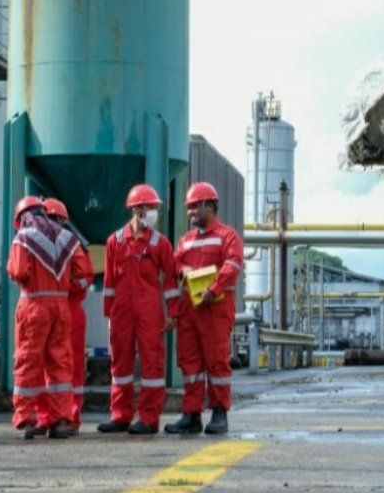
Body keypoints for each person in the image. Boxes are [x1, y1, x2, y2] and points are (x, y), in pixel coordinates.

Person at [97, 184, 179, 435]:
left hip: (149, 310)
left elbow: (172, 280)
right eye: (151, 208)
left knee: (152, 364)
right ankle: (120, 415)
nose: (155, 212)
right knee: (119, 363)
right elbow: (109, 281)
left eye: (155, 208)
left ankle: (149, 418)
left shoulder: (160, 243)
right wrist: (109, 314)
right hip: (122, 311)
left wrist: (172, 313)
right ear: (137, 209)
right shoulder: (115, 242)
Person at [164, 181, 244, 436]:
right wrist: (181, 270)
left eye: (193, 207)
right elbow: (173, 267)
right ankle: (191, 415)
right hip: (190, 309)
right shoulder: (185, 241)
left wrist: (214, 290)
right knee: (189, 364)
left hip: (215, 309)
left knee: (216, 361)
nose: (190, 213)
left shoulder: (227, 236)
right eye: (188, 209)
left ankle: (220, 413)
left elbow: (232, 266)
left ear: (209, 205)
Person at [7, 195, 86, 440]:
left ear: (22, 217)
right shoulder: (68, 238)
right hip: (61, 306)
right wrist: (62, 287)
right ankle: (61, 420)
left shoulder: (23, 238)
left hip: (34, 305)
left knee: (28, 362)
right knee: (60, 363)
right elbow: (82, 274)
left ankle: (27, 420)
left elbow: (19, 272)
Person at [44, 197, 93, 433]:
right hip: (50, 309)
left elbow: (85, 278)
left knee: (70, 366)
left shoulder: (74, 246)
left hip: (69, 309)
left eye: (54, 220)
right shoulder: (39, 244)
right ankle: (48, 416)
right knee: (47, 365)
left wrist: (63, 286)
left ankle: (70, 416)